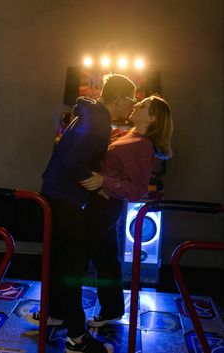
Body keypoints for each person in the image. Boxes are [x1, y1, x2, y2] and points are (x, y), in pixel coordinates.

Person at [26, 73, 136, 353]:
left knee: (64, 263)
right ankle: (77, 338)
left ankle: (60, 316)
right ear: (120, 98)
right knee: (72, 268)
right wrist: (96, 186)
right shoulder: (99, 122)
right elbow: (74, 162)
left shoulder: (91, 115)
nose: (132, 107)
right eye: (131, 101)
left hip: (57, 194)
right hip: (65, 199)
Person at [79, 94, 173, 327]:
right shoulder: (125, 133)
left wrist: (104, 182)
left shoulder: (143, 145)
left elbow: (138, 190)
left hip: (106, 205)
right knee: (107, 260)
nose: (136, 105)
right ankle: (111, 311)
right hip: (101, 202)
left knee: (75, 256)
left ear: (152, 118)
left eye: (143, 106)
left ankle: (58, 312)